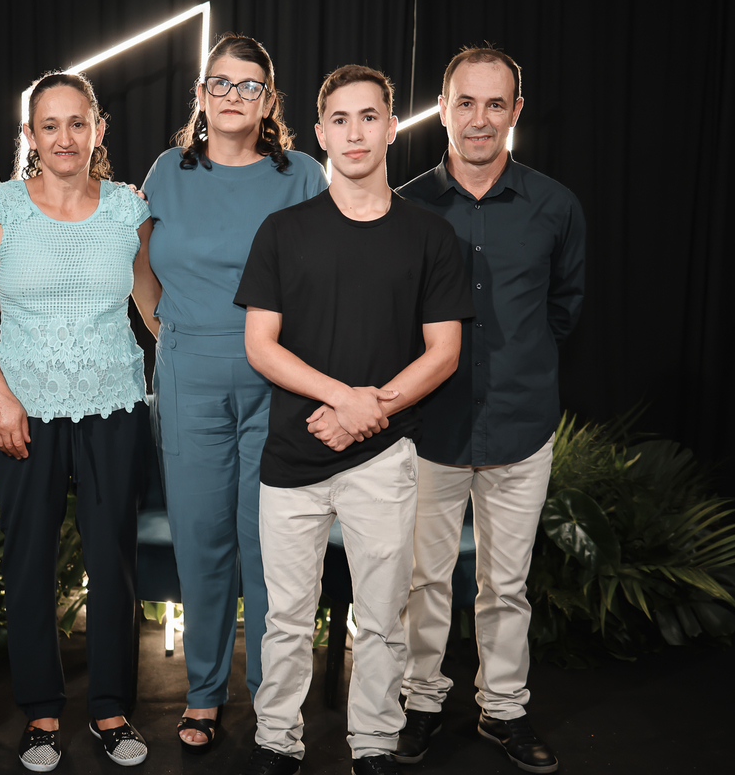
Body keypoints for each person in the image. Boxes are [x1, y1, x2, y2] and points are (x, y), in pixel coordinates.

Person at [234, 65, 474, 775]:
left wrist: (368, 411)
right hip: (292, 456)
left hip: (384, 456)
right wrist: (345, 397)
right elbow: (261, 346)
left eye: (369, 117)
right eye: (340, 119)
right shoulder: (282, 231)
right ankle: (277, 741)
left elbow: (444, 353)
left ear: (392, 127)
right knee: (284, 616)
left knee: (383, 616)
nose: (355, 132)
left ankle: (373, 743)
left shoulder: (430, 235)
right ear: (320, 133)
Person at [394, 46, 586, 774]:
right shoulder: (406, 206)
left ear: (515, 112)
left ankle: (504, 709)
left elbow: (564, 309)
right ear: (443, 108)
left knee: (506, 585)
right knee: (422, 582)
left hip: (519, 423)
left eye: (495, 104)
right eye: (466, 103)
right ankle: (420, 704)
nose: (479, 119)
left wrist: (519, 370)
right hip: (429, 428)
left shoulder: (555, 206)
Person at [140, 33, 328, 750]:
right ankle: (204, 694)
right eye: (220, 82)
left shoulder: (302, 175)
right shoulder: (168, 171)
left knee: (272, 545)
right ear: (201, 95)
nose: (233, 96)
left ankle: (275, 703)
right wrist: (168, 328)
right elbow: (140, 259)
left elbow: (329, 270)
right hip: (188, 374)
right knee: (202, 541)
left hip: (277, 378)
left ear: (269, 101)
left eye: (250, 86)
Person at [0, 71, 161, 772]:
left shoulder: (128, 208)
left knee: (113, 560)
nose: (64, 137)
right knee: (29, 560)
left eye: (77, 123)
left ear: (98, 129)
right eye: (48, 125)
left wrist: (212, 364)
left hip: (115, 404)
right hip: (25, 409)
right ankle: (42, 715)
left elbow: (153, 307)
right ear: (29, 135)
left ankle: (111, 710)